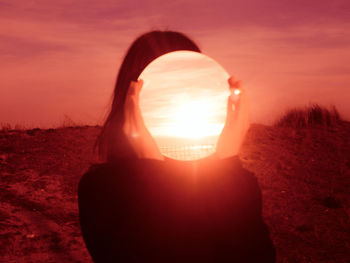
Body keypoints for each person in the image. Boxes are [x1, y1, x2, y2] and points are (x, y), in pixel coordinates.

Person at [78, 31, 276, 262]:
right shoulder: (101, 189)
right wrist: (152, 173)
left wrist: (228, 165)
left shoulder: (233, 183)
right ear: (133, 101)